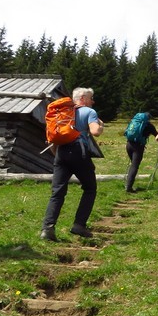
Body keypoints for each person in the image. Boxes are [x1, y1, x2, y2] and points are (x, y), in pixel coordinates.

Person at [40, 87, 104, 242]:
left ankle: (47, 229)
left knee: (57, 192)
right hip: (78, 152)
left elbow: (54, 138)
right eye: (91, 98)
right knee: (90, 188)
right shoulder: (89, 112)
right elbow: (95, 132)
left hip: (61, 152)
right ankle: (79, 225)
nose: (93, 101)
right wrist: (100, 124)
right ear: (82, 98)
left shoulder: (61, 113)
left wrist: (59, 158)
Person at [123, 112, 157, 193]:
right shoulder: (149, 126)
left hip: (129, 144)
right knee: (134, 166)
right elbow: (157, 136)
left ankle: (128, 184)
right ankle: (129, 187)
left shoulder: (134, 122)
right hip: (138, 147)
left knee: (133, 165)